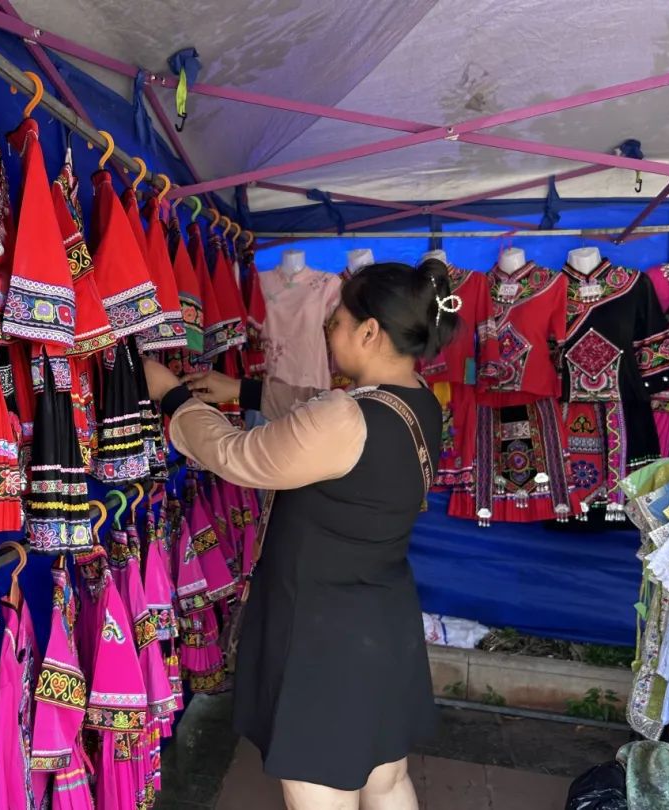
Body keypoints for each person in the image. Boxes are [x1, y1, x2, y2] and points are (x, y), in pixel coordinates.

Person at [144, 260, 460, 810]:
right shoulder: (421, 401)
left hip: (322, 634)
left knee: (317, 787)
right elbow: (314, 408)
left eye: (335, 323)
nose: (329, 333)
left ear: (369, 331)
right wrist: (244, 389)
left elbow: (238, 455)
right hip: (382, 619)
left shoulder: (345, 417)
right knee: (386, 779)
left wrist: (173, 397)